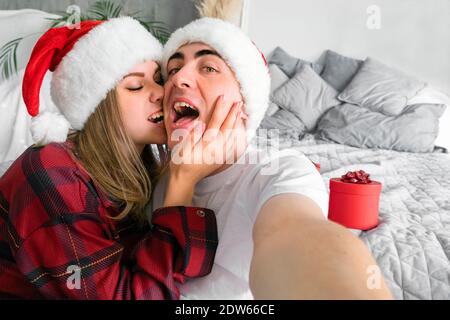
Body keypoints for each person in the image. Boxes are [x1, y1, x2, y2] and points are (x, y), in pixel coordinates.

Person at [0, 17, 242, 300]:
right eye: (136, 87)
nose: (161, 93)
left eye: (159, 79)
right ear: (99, 108)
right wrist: (182, 183)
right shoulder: (51, 173)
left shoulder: (144, 168)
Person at [151, 17, 393, 299]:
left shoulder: (280, 172)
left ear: (245, 102)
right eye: (173, 69)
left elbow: (296, 234)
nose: (178, 78)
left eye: (208, 67)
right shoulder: (152, 174)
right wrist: (182, 179)